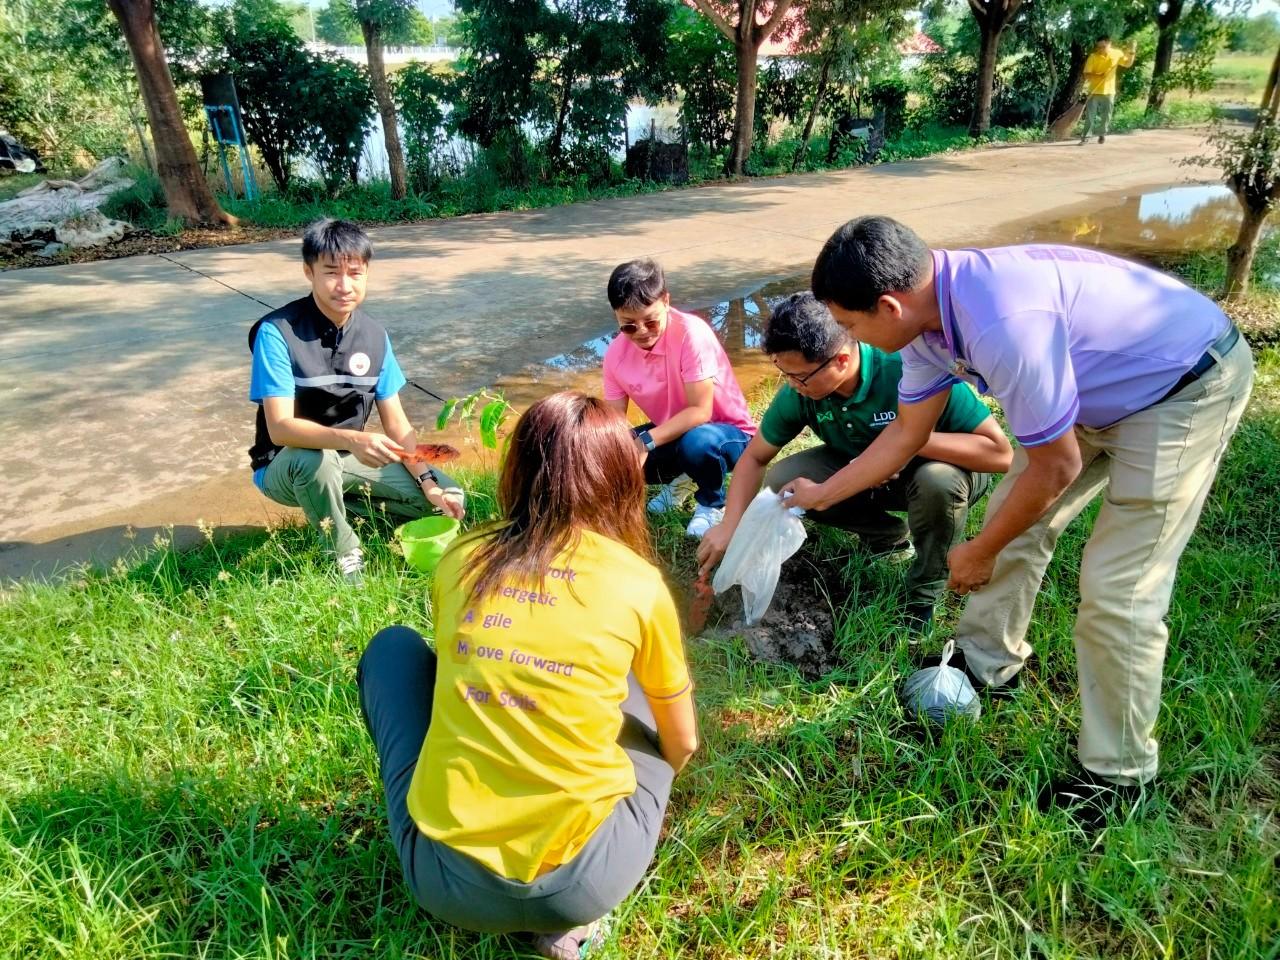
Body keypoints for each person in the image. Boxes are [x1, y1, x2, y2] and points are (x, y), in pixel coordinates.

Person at [800, 215, 1253, 823]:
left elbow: (1055, 465)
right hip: (1092, 388)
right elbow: (907, 435)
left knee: (1120, 587)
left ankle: (1118, 777)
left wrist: (980, 549)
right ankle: (985, 662)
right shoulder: (925, 324)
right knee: (1014, 522)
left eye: (851, 325)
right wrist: (826, 493)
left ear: (888, 305)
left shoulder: (1002, 321)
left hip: (1181, 384)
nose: (849, 338)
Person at [357, 392, 698, 959]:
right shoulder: (636, 583)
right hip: (583, 884)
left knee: (393, 649)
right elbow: (683, 743)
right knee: (647, 697)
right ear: (619, 477)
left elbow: (449, 670)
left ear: (516, 469)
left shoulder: (463, 556)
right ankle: (573, 929)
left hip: (444, 880)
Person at [696, 293, 1012, 633]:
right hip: (861, 472)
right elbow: (754, 458)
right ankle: (887, 536)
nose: (792, 386)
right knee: (785, 478)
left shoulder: (908, 369)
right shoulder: (800, 392)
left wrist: (907, 443)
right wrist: (729, 524)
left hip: (943, 474)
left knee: (938, 482)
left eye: (800, 377)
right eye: (784, 374)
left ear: (842, 359)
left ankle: (923, 594)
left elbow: (999, 454)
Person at [248, 218, 464, 583]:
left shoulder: (375, 336)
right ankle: (344, 553)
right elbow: (281, 428)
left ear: (366, 274)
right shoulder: (277, 332)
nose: (344, 285)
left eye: (355, 272)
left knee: (451, 498)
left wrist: (428, 482)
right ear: (308, 272)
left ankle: (343, 506)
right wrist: (354, 439)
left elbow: (397, 424)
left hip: (348, 460)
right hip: (284, 465)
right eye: (331, 272)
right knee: (314, 461)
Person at [602, 258, 756, 538]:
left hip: (728, 434)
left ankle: (712, 503)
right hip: (675, 433)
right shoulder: (615, 355)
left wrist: (644, 442)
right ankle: (685, 478)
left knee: (696, 443)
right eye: (628, 326)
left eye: (650, 320)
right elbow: (612, 422)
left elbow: (700, 411)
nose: (642, 332)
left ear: (666, 301)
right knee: (612, 452)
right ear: (616, 316)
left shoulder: (691, 334)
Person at [1078, 35, 1135, 145]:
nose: (1100, 49)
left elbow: (1127, 64)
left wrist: (1132, 52)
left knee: (1106, 115)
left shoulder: (1117, 53)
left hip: (1109, 91)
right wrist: (1099, 75)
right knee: (1090, 115)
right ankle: (1086, 136)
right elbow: (1086, 74)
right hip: (1094, 90)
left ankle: (1102, 134)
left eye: (1103, 47)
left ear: (1109, 44)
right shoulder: (1093, 57)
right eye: (1098, 47)